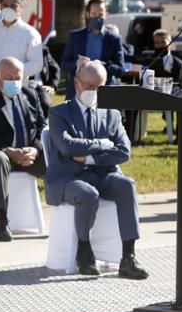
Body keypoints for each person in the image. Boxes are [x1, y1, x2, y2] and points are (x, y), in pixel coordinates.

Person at [46, 61, 148, 279]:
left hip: (103, 174)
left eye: (99, 87)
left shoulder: (111, 113)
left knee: (126, 185)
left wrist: (89, 157)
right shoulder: (59, 112)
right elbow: (66, 146)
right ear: (76, 83)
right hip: (69, 178)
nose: (93, 92)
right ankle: (84, 250)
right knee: (87, 194)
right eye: (89, 85)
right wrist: (102, 144)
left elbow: (123, 151)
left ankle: (128, 257)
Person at [0, 57, 46, 242]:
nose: (14, 82)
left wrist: (36, 149)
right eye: (9, 77)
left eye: (18, 77)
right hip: (4, 155)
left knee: (57, 157)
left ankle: (66, 212)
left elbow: (42, 126)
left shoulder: (30, 95)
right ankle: (1, 221)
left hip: (29, 155)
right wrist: (8, 151)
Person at [61, 0, 125, 99]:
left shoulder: (114, 39)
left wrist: (101, 65)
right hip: (78, 92)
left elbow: (121, 69)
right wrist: (77, 64)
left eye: (100, 14)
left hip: (104, 92)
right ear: (88, 15)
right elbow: (64, 65)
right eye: (94, 14)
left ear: (106, 15)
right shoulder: (75, 36)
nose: (97, 17)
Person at [0, 0, 43, 84]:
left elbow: (36, 64)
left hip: (17, 87)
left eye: (13, 6)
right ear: (0, 6)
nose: (9, 9)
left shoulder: (30, 33)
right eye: (5, 6)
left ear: (20, 8)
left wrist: (13, 70)